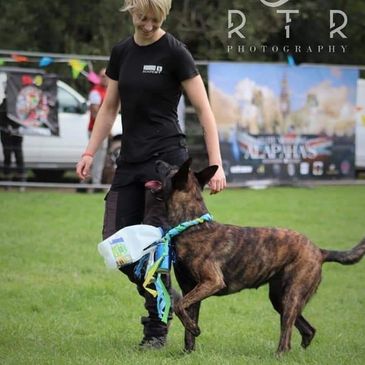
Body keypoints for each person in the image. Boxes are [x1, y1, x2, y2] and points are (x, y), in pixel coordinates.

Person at [76, 0, 226, 349]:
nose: (147, 25)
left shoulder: (176, 53)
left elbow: (204, 111)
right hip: (129, 162)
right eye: (142, 18)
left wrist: (216, 166)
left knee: (154, 248)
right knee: (115, 243)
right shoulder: (122, 52)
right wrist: (88, 150)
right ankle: (163, 293)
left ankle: (156, 330)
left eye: (155, 20)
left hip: (168, 165)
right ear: (131, 11)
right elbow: (110, 107)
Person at [88, 68, 108, 188]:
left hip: (102, 130)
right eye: (103, 76)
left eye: (107, 76)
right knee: (96, 157)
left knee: (98, 157)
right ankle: (95, 184)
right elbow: (95, 113)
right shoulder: (95, 92)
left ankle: (90, 182)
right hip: (96, 130)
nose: (105, 79)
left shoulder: (107, 91)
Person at [0, 100, 25, 182]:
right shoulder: (4, 104)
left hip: (17, 133)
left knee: (19, 155)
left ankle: (21, 179)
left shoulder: (20, 102)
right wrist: (7, 126)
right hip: (6, 133)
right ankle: (7, 179)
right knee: (7, 155)